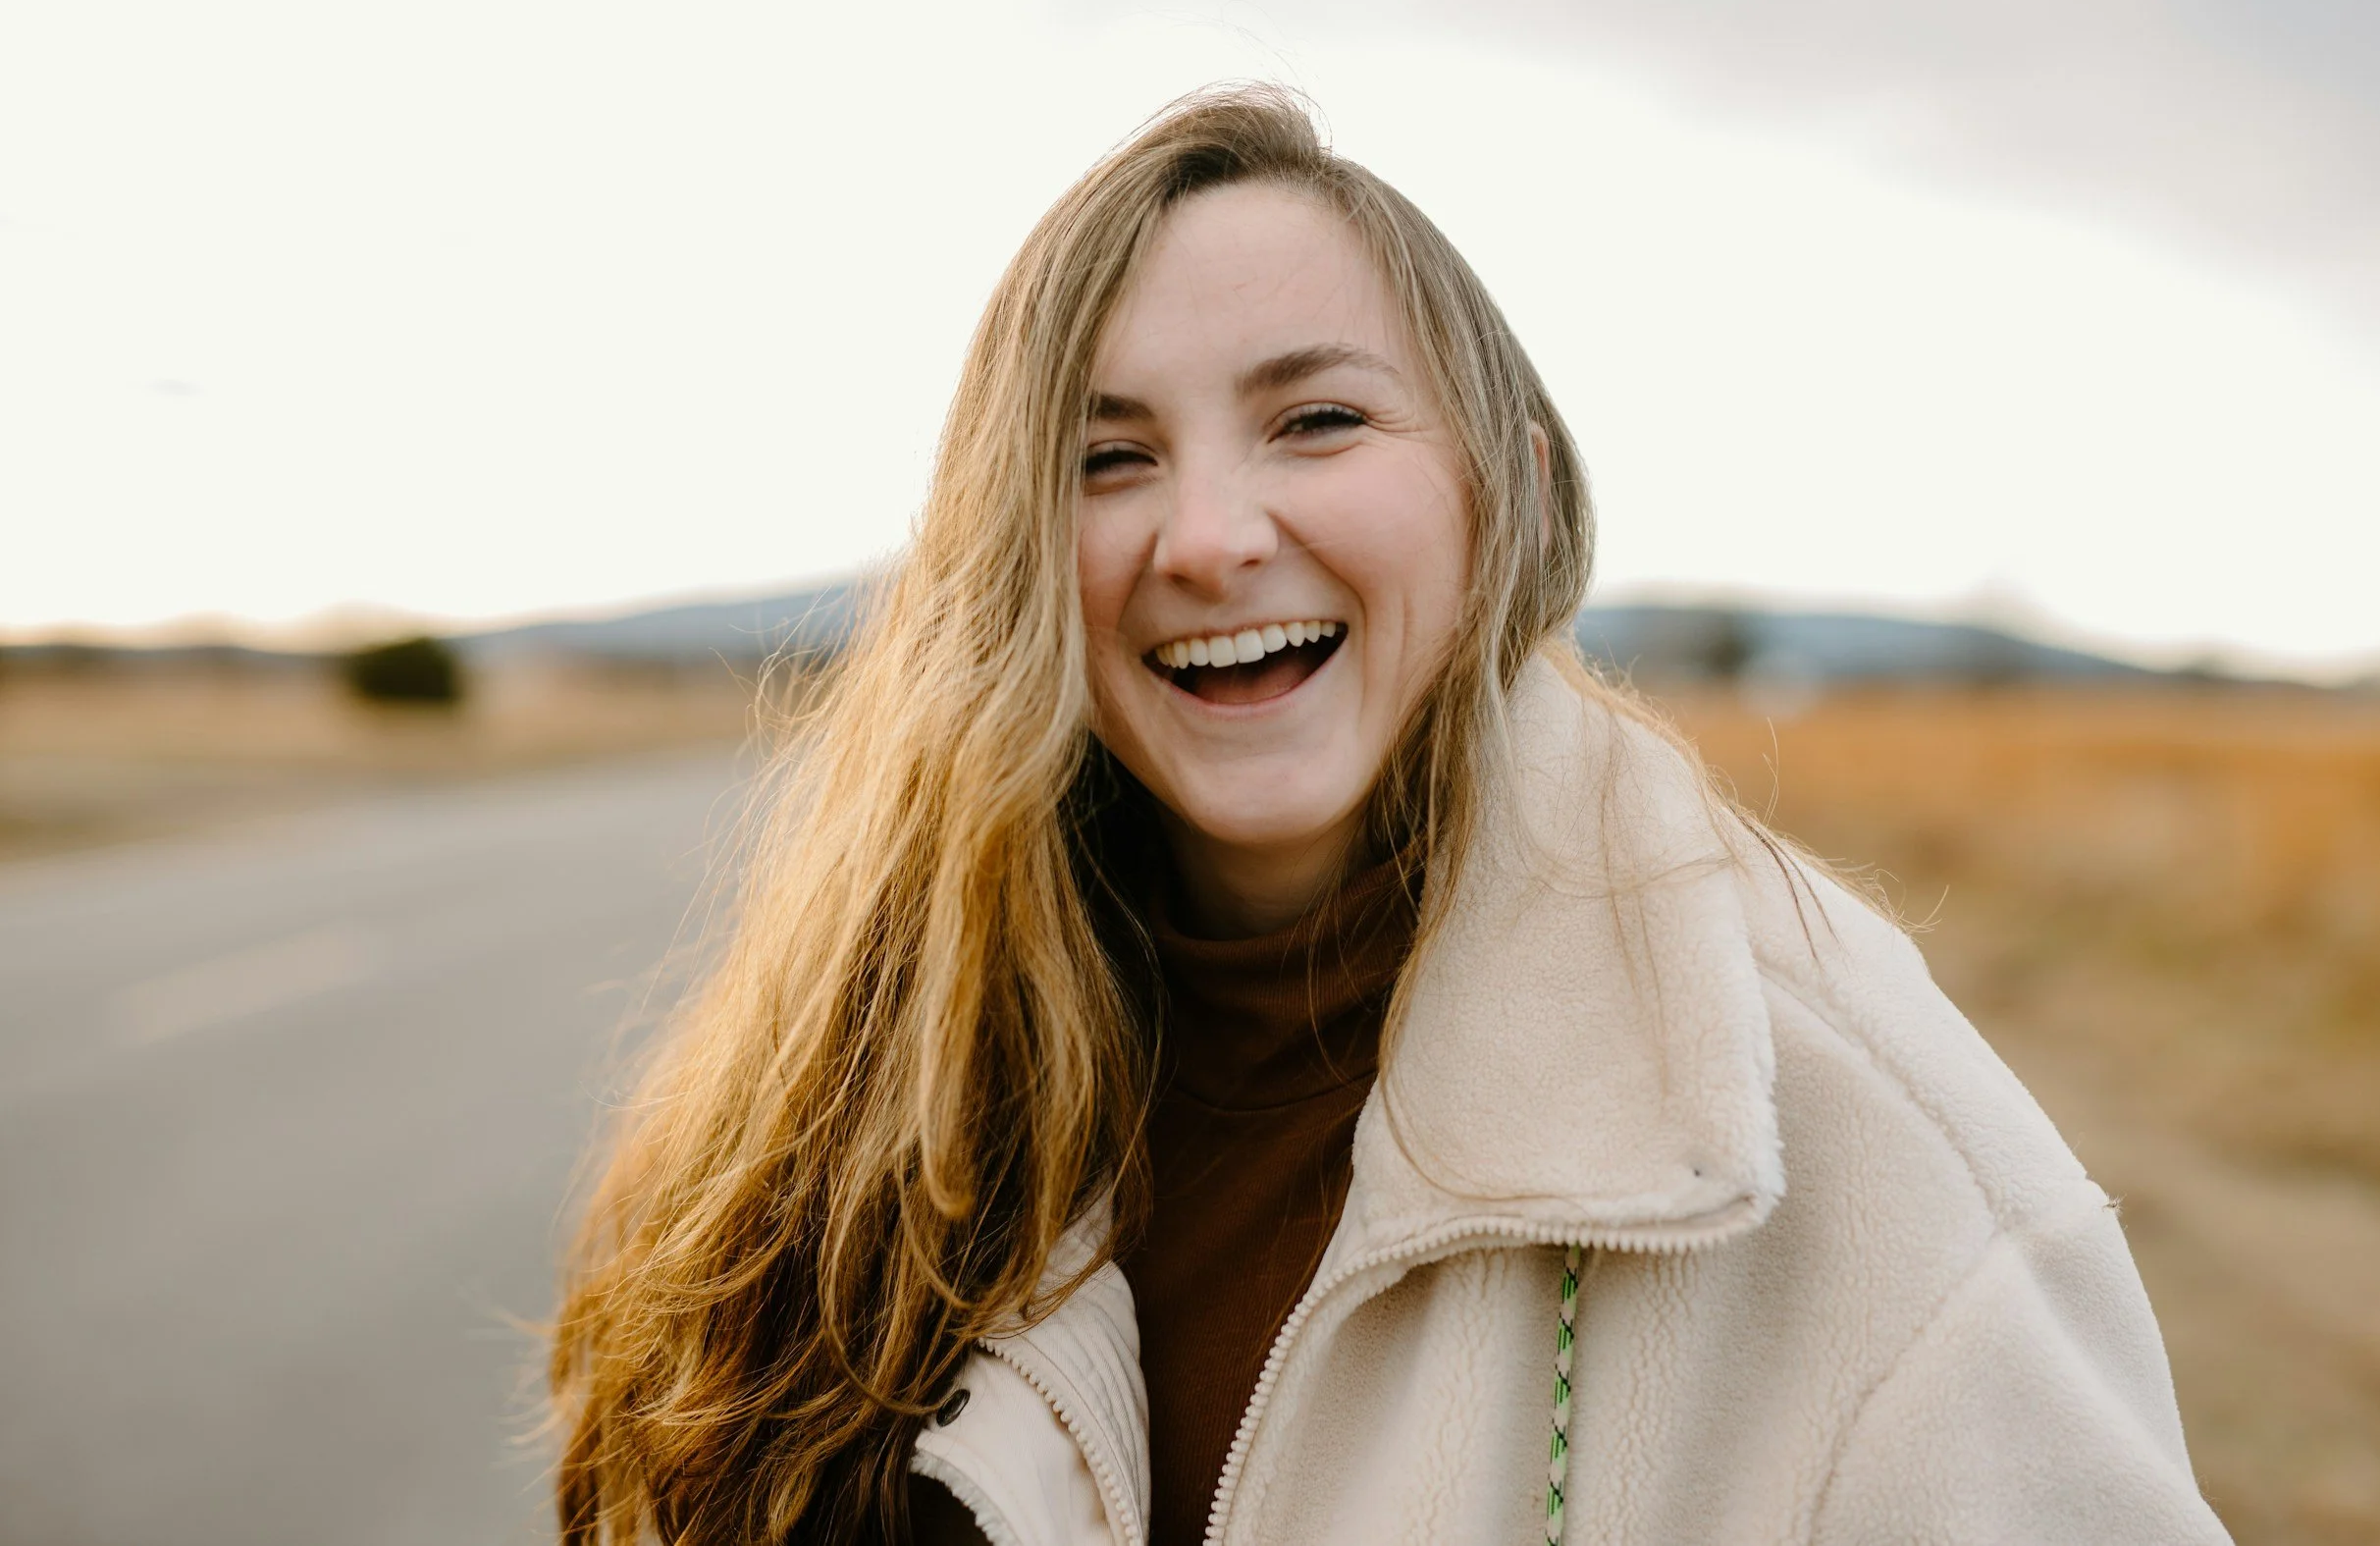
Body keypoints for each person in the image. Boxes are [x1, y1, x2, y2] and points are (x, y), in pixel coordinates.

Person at [549, 86, 2231, 1546]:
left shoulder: (1846, 1138)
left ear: (1506, 482)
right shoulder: (877, 1074)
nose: (1207, 536)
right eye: (1107, 457)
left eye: (1320, 420)